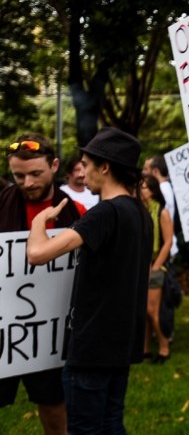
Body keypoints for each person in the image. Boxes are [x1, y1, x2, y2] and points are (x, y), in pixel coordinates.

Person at [26, 127, 152, 434]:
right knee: (111, 424)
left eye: (86, 164)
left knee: (84, 430)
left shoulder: (106, 213)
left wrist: (39, 221)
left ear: (105, 167)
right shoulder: (140, 212)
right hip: (121, 345)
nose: (82, 173)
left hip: (92, 347)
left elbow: (38, 253)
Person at [0, 134, 85, 435]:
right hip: (4, 330)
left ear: (54, 165)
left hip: (51, 335)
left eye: (35, 173)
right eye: (18, 176)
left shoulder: (78, 213)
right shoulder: (2, 205)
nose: (27, 182)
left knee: (53, 406)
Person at [140, 175, 174, 363]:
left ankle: (163, 348)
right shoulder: (140, 211)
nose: (141, 190)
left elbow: (168, 241)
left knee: (153, 311)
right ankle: (145, 350)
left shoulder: (162, 212)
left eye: (144, 187)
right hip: (142, 267)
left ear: (152, 190)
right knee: (143, 312)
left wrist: (154, 268)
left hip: (156, 266)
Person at [142, 155, 178, 261]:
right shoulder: (167, 186)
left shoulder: (162, 190)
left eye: (146, 169)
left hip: (163, 248)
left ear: (156, 171)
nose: (143, 172)